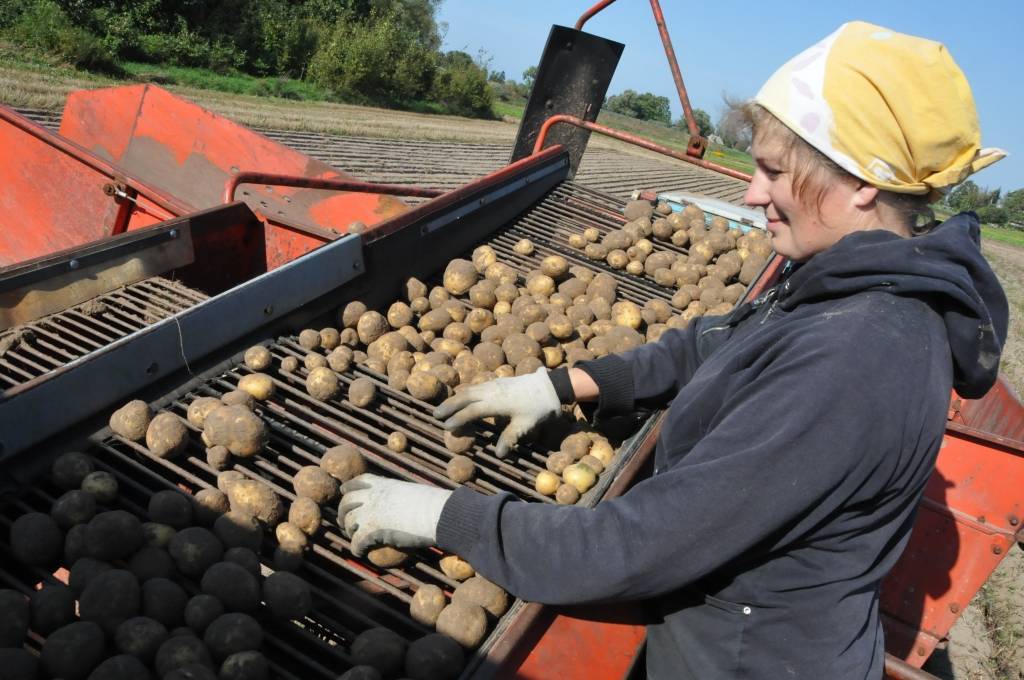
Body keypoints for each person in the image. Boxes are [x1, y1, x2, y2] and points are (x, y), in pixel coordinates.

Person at [339, 21, 1009, 679]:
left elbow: (640, 542)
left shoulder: (856, 360)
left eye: (774, 172)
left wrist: (448, 516)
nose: (751, 194)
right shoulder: (849, 286)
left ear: (863, 182)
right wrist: (564, 384)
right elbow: (722, 344)